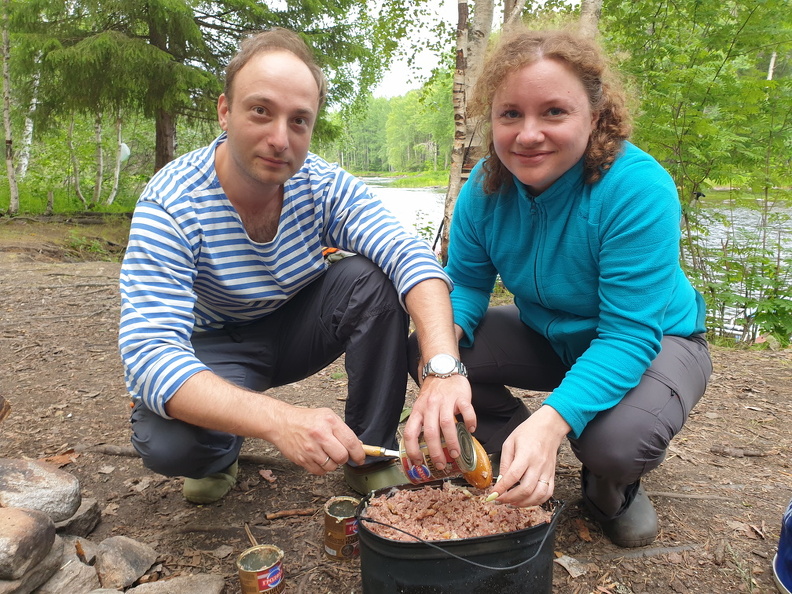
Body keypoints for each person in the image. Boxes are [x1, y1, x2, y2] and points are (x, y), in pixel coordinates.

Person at [118, 27, 464, 504]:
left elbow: (408, 252)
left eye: (299, 120)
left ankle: (369, 455)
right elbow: (149, 353)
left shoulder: (321, 185)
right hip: (214, 348)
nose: (280, 139)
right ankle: (220, 451)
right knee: (173, 444)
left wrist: (443, 368)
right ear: (225, 111)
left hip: (296, 328)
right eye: (261, 111)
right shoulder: (172, 202)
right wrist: (279, 420)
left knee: (375, 278)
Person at [404, 27, 712, 548]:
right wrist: (444, 362)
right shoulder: (484, 188)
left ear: (594, 118)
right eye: (510, 114)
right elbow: (469, 287)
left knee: (610, 443)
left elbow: (628, 336)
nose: (528, 134)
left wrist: (555, 422)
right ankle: (507, 452)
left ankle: (609, 487)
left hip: (658, 341)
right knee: (429, 348)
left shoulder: (636, 189)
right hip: (548, 334)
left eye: (553, 112)